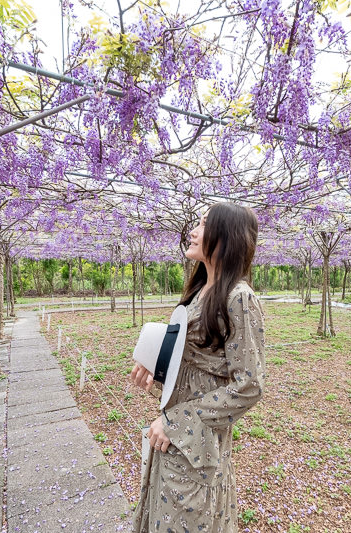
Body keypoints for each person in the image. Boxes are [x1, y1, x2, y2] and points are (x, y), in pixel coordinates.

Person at [130, 202, 266, 532]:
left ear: (226, 237)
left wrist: (176, 421)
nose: (192, 231)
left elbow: (248, 385)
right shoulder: (199, 292)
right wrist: (158, 369)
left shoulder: (239, 298)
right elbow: (197, 369)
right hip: (174, 437)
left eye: (203, 224)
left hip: (196, 444)